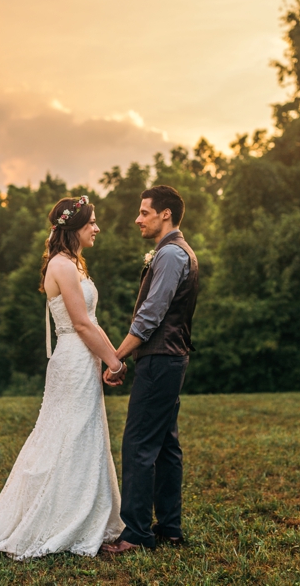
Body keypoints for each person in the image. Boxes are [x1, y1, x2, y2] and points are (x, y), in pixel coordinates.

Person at [0, 195, 125, 559]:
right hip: (74, 358)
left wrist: (113, 358)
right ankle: (60, 519)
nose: (97, 228)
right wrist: (114, 362)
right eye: (92, 222)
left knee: (82, 434)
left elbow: (92, 323)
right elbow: (81, 324)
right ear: (75, 227)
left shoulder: (73, 264)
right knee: (69, 435)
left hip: (83, 357)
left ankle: (87, 513)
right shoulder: (62, 266)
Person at [101, 185, 199, 554]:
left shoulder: (171, 254)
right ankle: (170, 528)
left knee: (139, 443)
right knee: (166, 445)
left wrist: (117, 356)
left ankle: (137, 534)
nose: (137, 219)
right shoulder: (177, 251)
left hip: (160, 358)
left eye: (144, 212)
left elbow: (150, 316)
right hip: (171, 357)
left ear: (165, 214)